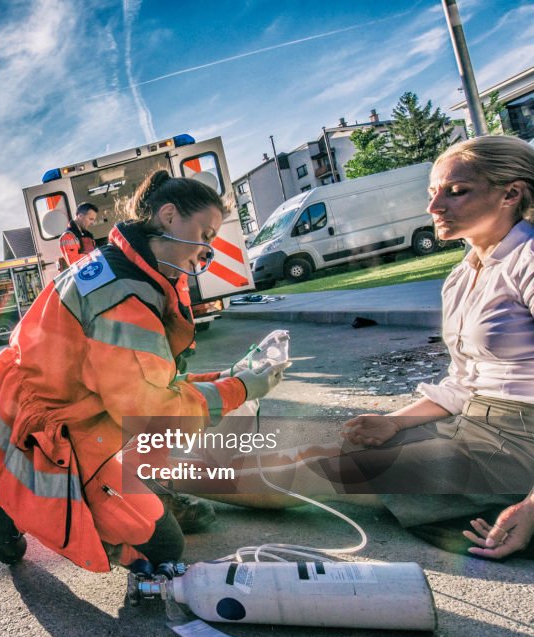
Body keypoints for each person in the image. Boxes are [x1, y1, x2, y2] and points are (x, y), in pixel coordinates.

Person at [179, 136, 534, 561]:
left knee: (315, 474)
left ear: (511, 193)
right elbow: (463, 382)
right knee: (324, 448)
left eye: (456, 192)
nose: (434, 206)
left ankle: (152, 478)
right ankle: (160, 471)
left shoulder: (527, 260)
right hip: (471, 421)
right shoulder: (464, 274)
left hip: (518, 446)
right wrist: (396, 423)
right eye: (432, 192)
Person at [0, 170, 288, 573]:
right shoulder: (123, 296)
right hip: (47, 433)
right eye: (204, 235)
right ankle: (2, 497)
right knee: (164, 549)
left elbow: (150, 381)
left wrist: (227, 378)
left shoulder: (131, 269)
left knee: (162, 452)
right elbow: (150, 410)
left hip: (81, 411)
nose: (207, 251)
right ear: (169, 217)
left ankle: (133, 490)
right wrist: (239, 388)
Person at [58, 202, 98, 269]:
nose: (92, 223)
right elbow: (74, 262)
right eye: (90, 219)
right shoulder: (68, 237)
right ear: (80, 216)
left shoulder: (88, 235)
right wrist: (95, 256)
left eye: (93, 220)